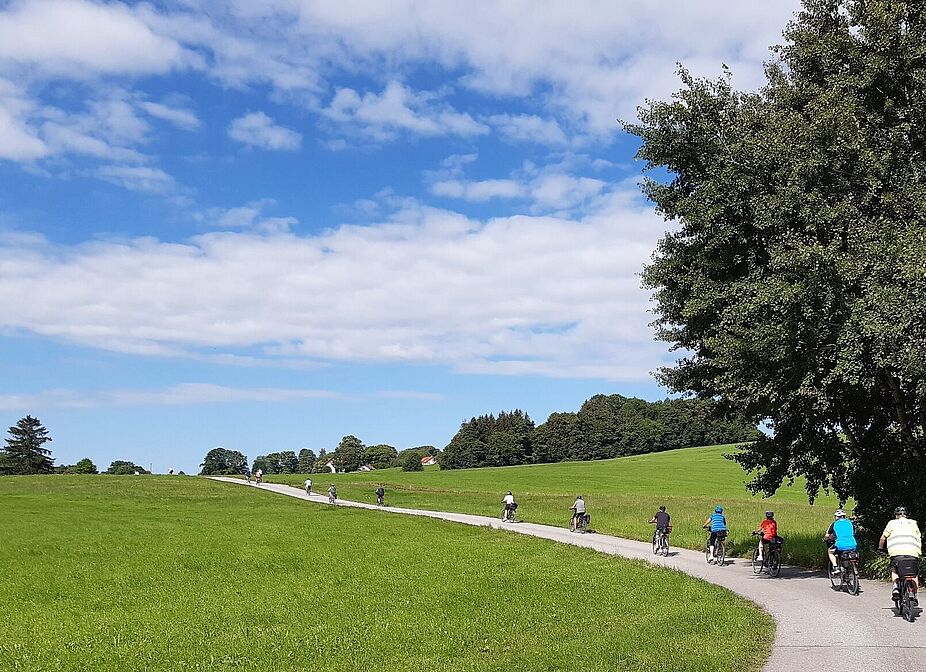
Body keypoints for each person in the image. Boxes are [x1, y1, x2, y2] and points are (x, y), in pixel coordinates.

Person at [879, 506, 922, 602]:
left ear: (896, 515)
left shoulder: (891, 523)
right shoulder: (914, 523)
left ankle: (895, 587)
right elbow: (919, 537)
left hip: (896, 553)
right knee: (914, 574)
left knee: (894, 569)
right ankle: (914, 596)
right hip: (913, 552)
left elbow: (883, 538)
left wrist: (881, 548)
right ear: (907, 515)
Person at [824, 509, 857, 573]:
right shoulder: (850, 523)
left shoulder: (834, 524)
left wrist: (825, 539)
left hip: (840, 545)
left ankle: (835, 567)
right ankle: (854, 570)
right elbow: (854, 533)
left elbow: (827, 535)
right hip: (853, 544)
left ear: (836, 517)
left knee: (830, 552)